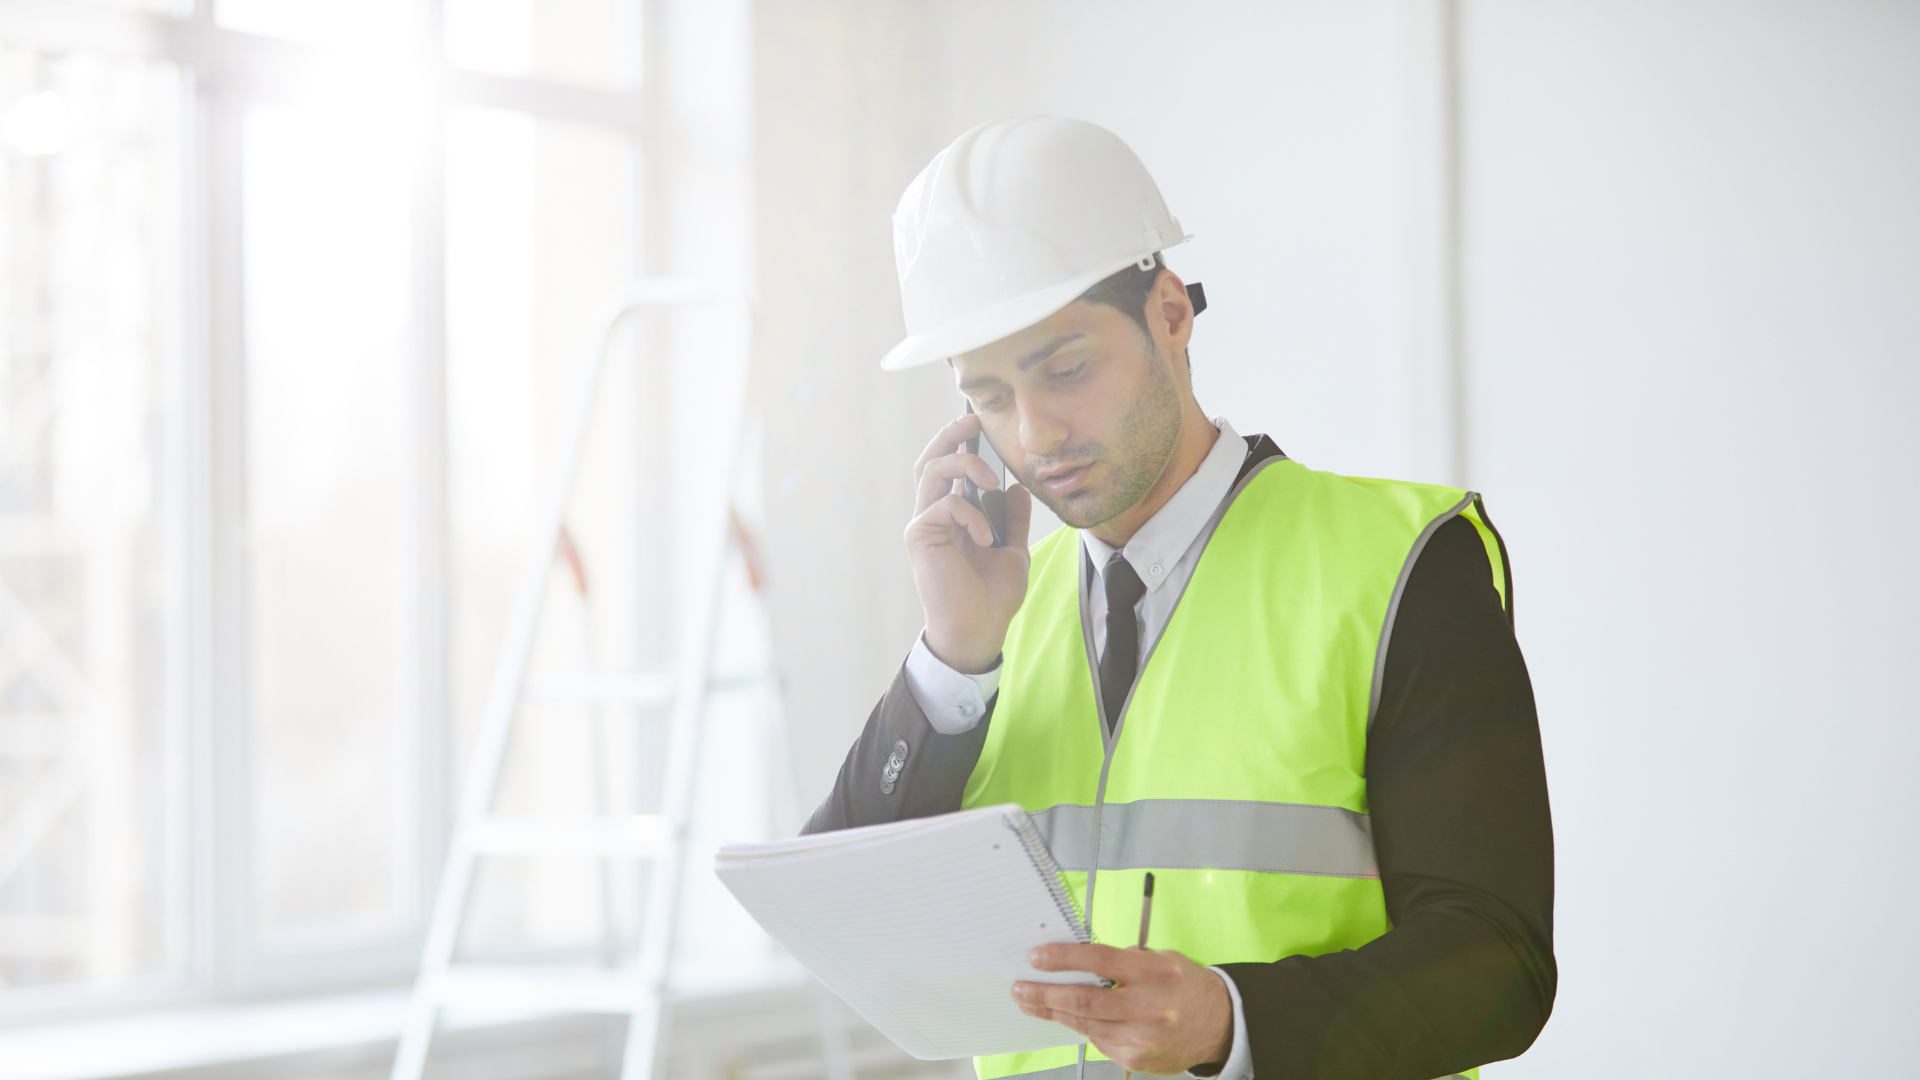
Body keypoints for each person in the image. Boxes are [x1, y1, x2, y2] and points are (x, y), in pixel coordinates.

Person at [804, 116, 1555, 1080]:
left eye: (1065, 370)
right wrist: (950, 657)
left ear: (1169, 312)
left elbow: (1498, 959)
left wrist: (1232, 1023)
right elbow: (847, 916)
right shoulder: (991, 625)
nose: (1034, 435)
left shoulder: (1403, 562)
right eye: (989, 396)